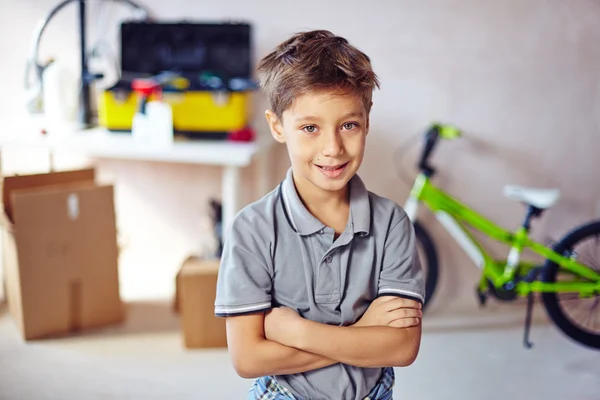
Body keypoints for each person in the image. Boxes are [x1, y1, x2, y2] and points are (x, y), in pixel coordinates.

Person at [214, 30, 425, 400]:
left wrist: (296, 332)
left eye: (349, 125)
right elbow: (248, 358)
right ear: (277, 126)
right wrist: (363, 331)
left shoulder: (392, 223)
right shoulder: (252, 229)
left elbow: (402, 348)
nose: (333, 148)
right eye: (310, 128)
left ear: (367, 121)